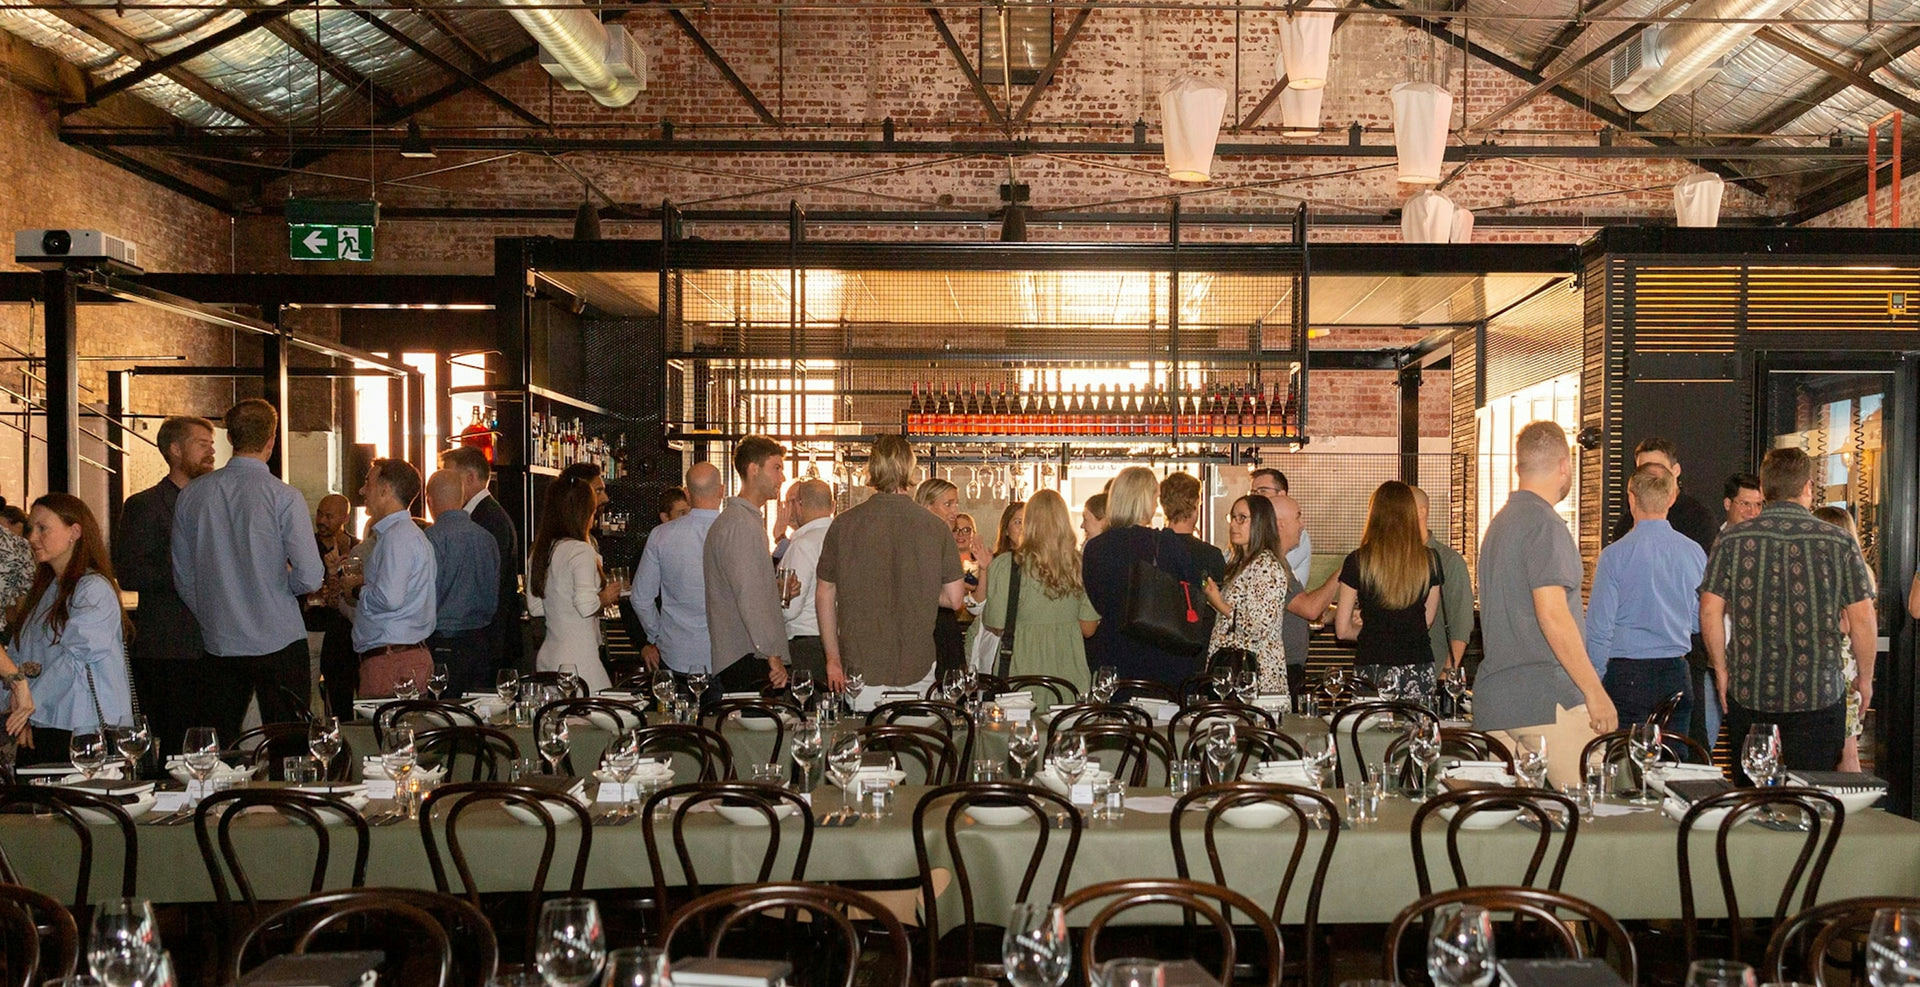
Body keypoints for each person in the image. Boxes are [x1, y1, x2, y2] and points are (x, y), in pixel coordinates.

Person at [1702, 445, 1875, 781]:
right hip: (1818, 694)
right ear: (1808, 487)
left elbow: (1710, 610)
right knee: (1811, 796)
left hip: (1750, 693)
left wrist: (1721, 669)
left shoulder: (1732, 540)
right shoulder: (1838, 541)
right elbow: (1863, 618)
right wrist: (1864, 678)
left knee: (1752, 796)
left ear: (1764, 490)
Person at [1474, 421, 1616, 787]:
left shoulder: (1498, 526)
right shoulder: (1546, 525)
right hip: (1547, 699)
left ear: (1518, 467)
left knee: (1521, 826)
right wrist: (1594, 692)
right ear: (1564, 465)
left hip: (1497, 703)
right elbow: (1552, 615)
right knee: (1592, 814)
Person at [173, 399, 325, 738]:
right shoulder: (283, 496)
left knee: (217, 748)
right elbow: (311, 576)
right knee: (290, 747)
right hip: (279, 638)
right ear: (271, 441)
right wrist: (280, 586)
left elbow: (183, 576)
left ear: (230, 439)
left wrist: (214, 611)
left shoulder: (193, 495)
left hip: (219, 642)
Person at [818, 435, 964, 705]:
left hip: (859, 665)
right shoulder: (935, 527)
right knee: (914, 739)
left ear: (872, 470)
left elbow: (825, 592)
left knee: (865, 741)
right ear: (910, 468)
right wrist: (917, 588)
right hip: (916, 663)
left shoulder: (844, 524)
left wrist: (833, 659)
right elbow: (955, 600)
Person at [113, 414, 214, 757]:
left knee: (212, 744)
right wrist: (194, 572)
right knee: (175, 745)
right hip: (169, 646)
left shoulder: (216, 504)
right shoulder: (145, 506)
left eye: (212, 445)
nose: (211, 451)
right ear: (174, 450)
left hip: (218, 644)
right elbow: (130, 573)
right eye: (202, 444)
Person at [6, 494, 133, 765]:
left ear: (74, 532)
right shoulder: (45, 591)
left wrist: (26, 705)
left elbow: (75, 659)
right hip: (44, 723)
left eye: (43, 528)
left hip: (83, 729)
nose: (32, 538)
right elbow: (18, 658)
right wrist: (17, 704)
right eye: (31, 529)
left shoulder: (93, 589)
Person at [1586, 465, 1706, 731]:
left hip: (1627, 676)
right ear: (1671, 498)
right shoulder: (1693, 552)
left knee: (1625, 760)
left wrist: (1594, 682)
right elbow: (1700, 620)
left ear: (1631, 498)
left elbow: (1599, 628)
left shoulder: (1615, 555)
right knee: (1672, 760)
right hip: (1676, 673)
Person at [1082, 466, 1202, 687]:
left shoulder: (1095, 548)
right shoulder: (1167, 543)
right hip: (1162, 650)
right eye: (1155, 497)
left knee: (1117, 717)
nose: (1157, 504)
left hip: (1112, 650)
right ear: (1146, 500)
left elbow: (1095, 599)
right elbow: (1192, 589)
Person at [983, 490, 1098, 703]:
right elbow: (1088, 628)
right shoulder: (1082, 565)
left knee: (1018, 732)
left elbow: (997, 624)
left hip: (1021, 671)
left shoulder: (1006, 565)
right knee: (1065, 731)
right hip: (1068, 671)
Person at [1334, 481, 1444, 693]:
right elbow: (1427, 620)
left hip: (1372, 669)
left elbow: (1342, 629)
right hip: (1418, 667)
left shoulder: (1357, 561)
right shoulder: (1430, 560)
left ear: (1373, 515)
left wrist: (1374, 630)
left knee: (1370, 725)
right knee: (1415, 725)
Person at [338, 460, 436, 697]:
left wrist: (357, 590)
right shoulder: (404, 535)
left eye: (367, 483)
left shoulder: (397, 537)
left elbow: (389, 598)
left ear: (386, 489)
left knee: (388, 732)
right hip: (398, 657)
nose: (362, 491)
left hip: (392, 662)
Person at [703, 435, 791, 694]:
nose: (782, 478)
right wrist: (772, 655)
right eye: (776, 468)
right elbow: (749, 595)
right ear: (753, 470)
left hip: (743, 653)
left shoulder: (740, 520)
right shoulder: (741, 525)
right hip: (748, 655)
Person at [531, 471, 623, 693]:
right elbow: (586, 606)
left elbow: (535, 608)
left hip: (549, 658)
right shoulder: (580, 550)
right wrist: (606, 596)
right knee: (608, 719)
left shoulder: (541, 549)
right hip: (579, 661)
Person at [632, 464, 722, 678]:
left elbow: (640, 598)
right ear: (722, 490)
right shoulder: (736, 532)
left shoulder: (661, 535)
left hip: (675, 652)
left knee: (677, 712)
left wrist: (656, 634)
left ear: (688, 494)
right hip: (725, 655)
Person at [440, 447, 520, 678]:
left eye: (450, 477)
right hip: (487, 639)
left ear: (470, 478)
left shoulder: (487, 519)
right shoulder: (484, 515)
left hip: (487, 641)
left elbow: (484, 585)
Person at [1202, 495, 1290, 696]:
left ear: (1260, 522)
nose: (1234, 524)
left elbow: (1258, 625)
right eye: (1232, 517)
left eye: (1242, 518)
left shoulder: (1266, 565)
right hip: (1235, 672)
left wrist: (1218, 603)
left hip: (1255, 675)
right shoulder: (1240, 564)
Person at [424, 469, 501, 697]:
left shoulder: (431, 538)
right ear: (462, 498)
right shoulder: (487, 538)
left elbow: (427, 594)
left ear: (429, 500)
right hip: (481, 641)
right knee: (475, 716)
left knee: (443, 716)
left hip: (443, 642)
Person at [1811, 505, 1872, 773]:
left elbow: (1846, 624)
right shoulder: (1862, 572)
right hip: (1848, 662)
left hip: (1834, 664)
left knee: (1843, 752)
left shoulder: (1823, 573)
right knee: (1847, 749)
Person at [305, 493, 361, 721]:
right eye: (320, 513)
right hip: (312, 629)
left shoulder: (356, 549)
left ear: (345, 518)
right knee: (304, 693)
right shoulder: (306, 546)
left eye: (329, 516)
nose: (322, 520)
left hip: (343, 634)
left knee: (341, 697)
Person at [1609, 437, 1717, 554]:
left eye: (1659, 468)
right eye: (1643, 470)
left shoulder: (1700, 520)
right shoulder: (1625, 525)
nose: (1651, 477)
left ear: (1676, 470)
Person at [778, 478, 835, 685]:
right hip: (838, 644)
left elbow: (789, 608)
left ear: (798, 505)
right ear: (833, 506)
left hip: (806, 647)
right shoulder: (843, 538)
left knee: (803, 711)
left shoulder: (802, 545)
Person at [1412, 487, 1473, 674]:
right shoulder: (1391, 559)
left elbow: (1461, 624)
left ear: (1422, 511)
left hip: (1433, 671)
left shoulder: (1448, 561)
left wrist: (1446, 674)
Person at [1162, 472, 1227, 642]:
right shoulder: (1211, 555)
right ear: (1196, 504)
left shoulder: (1152, 547)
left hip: (1159, 637)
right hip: (1199, 640)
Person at [915, 478, 969, 676]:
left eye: (956, 503)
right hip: (931, 622)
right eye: (948, 504)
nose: (955, 511)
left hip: (944, 622)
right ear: (927, 506)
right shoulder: (927, 540)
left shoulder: (942, 538)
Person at [965, 501, 1025, 672]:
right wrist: (985, 569)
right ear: (1006, 529)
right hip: (996, 644)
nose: (1023, 527)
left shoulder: (1044, 565)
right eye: (1018, 522)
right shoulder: (997, 562)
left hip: (1029, 641)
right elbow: (976, 607)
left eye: (1028, 521)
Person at [1250, 468, 1312, 579]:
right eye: (1253, 492)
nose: (1256, 497)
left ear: (1281, 494)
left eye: (1263, 491)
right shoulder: (1252, 529)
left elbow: (1269, 572)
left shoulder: (1297, 534)